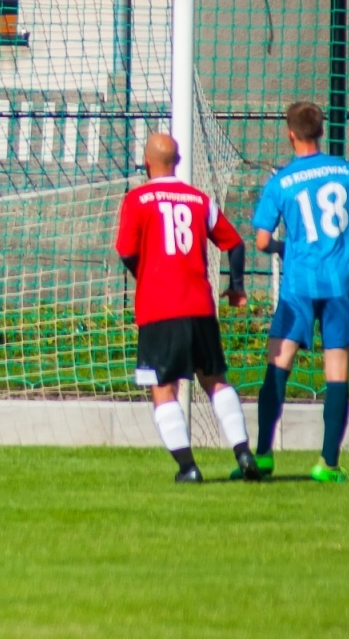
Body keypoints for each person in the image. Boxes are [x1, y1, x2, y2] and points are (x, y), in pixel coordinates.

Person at [242, 102, 349, 483]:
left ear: (290, 134)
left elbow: (261, 241)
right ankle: (328, 463)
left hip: (299, 286)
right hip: (339, 285)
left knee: (279, 365)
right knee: (337, 373)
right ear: (321, 131)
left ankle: (264, 456)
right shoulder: (346, 170)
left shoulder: (281, 181)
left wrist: (285, 248)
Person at [115, 134, 259, 482]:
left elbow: (126, 251)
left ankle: (188, 468)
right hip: (200, 308)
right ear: (178, 162)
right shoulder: (199, 200)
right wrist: (237, 287)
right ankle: (243, 453)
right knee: (215, 381)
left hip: (159, 309)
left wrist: (145, 275)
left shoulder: (137, 199)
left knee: (163, 388)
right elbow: (235, 243)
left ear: (147, 162)